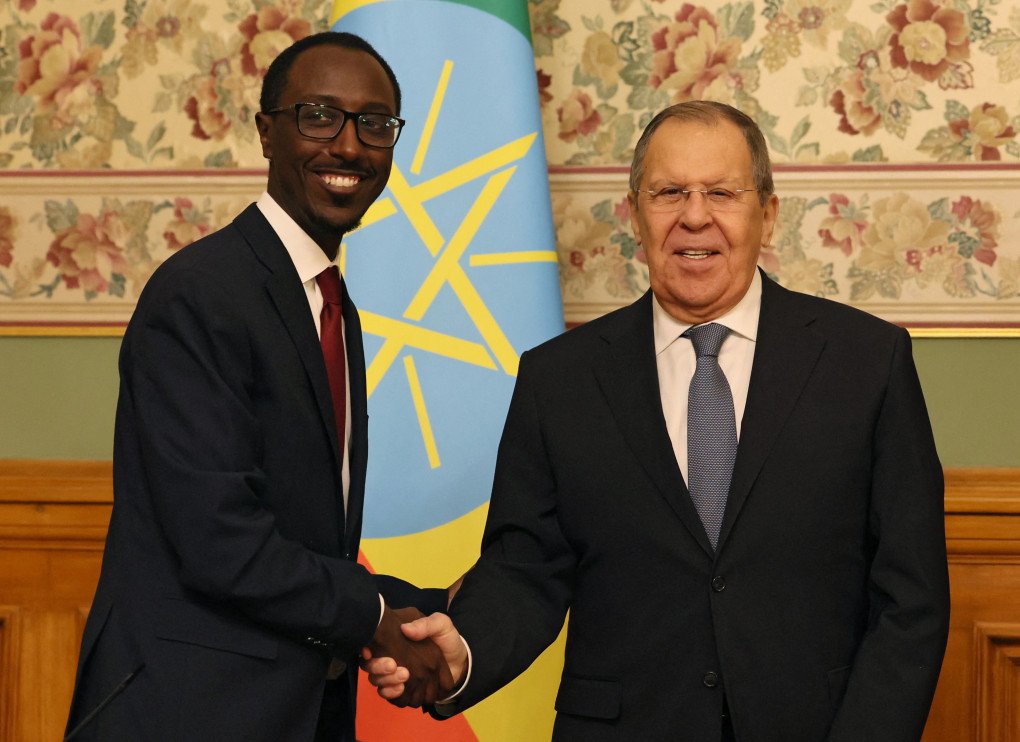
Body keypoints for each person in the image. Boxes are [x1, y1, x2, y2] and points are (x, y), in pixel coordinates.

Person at [365, 101, 951, 741]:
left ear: (769, 213)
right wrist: (464, 653)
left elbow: (911, 601)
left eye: (722, 193)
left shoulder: (866, 361)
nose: (694, 216)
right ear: (634, 214)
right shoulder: (559, 379)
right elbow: (525, 569)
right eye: (669, 192)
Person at [64, 32, 455, 742]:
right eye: (318, 116)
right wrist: (376, 616)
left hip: (295, 711)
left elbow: (304, 536)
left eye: (374, 124)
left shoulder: (330, 305)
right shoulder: (200, 295)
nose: (348, 146)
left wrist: (429, 608)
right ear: (266, 133)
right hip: (188, 712)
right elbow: (220, 541)